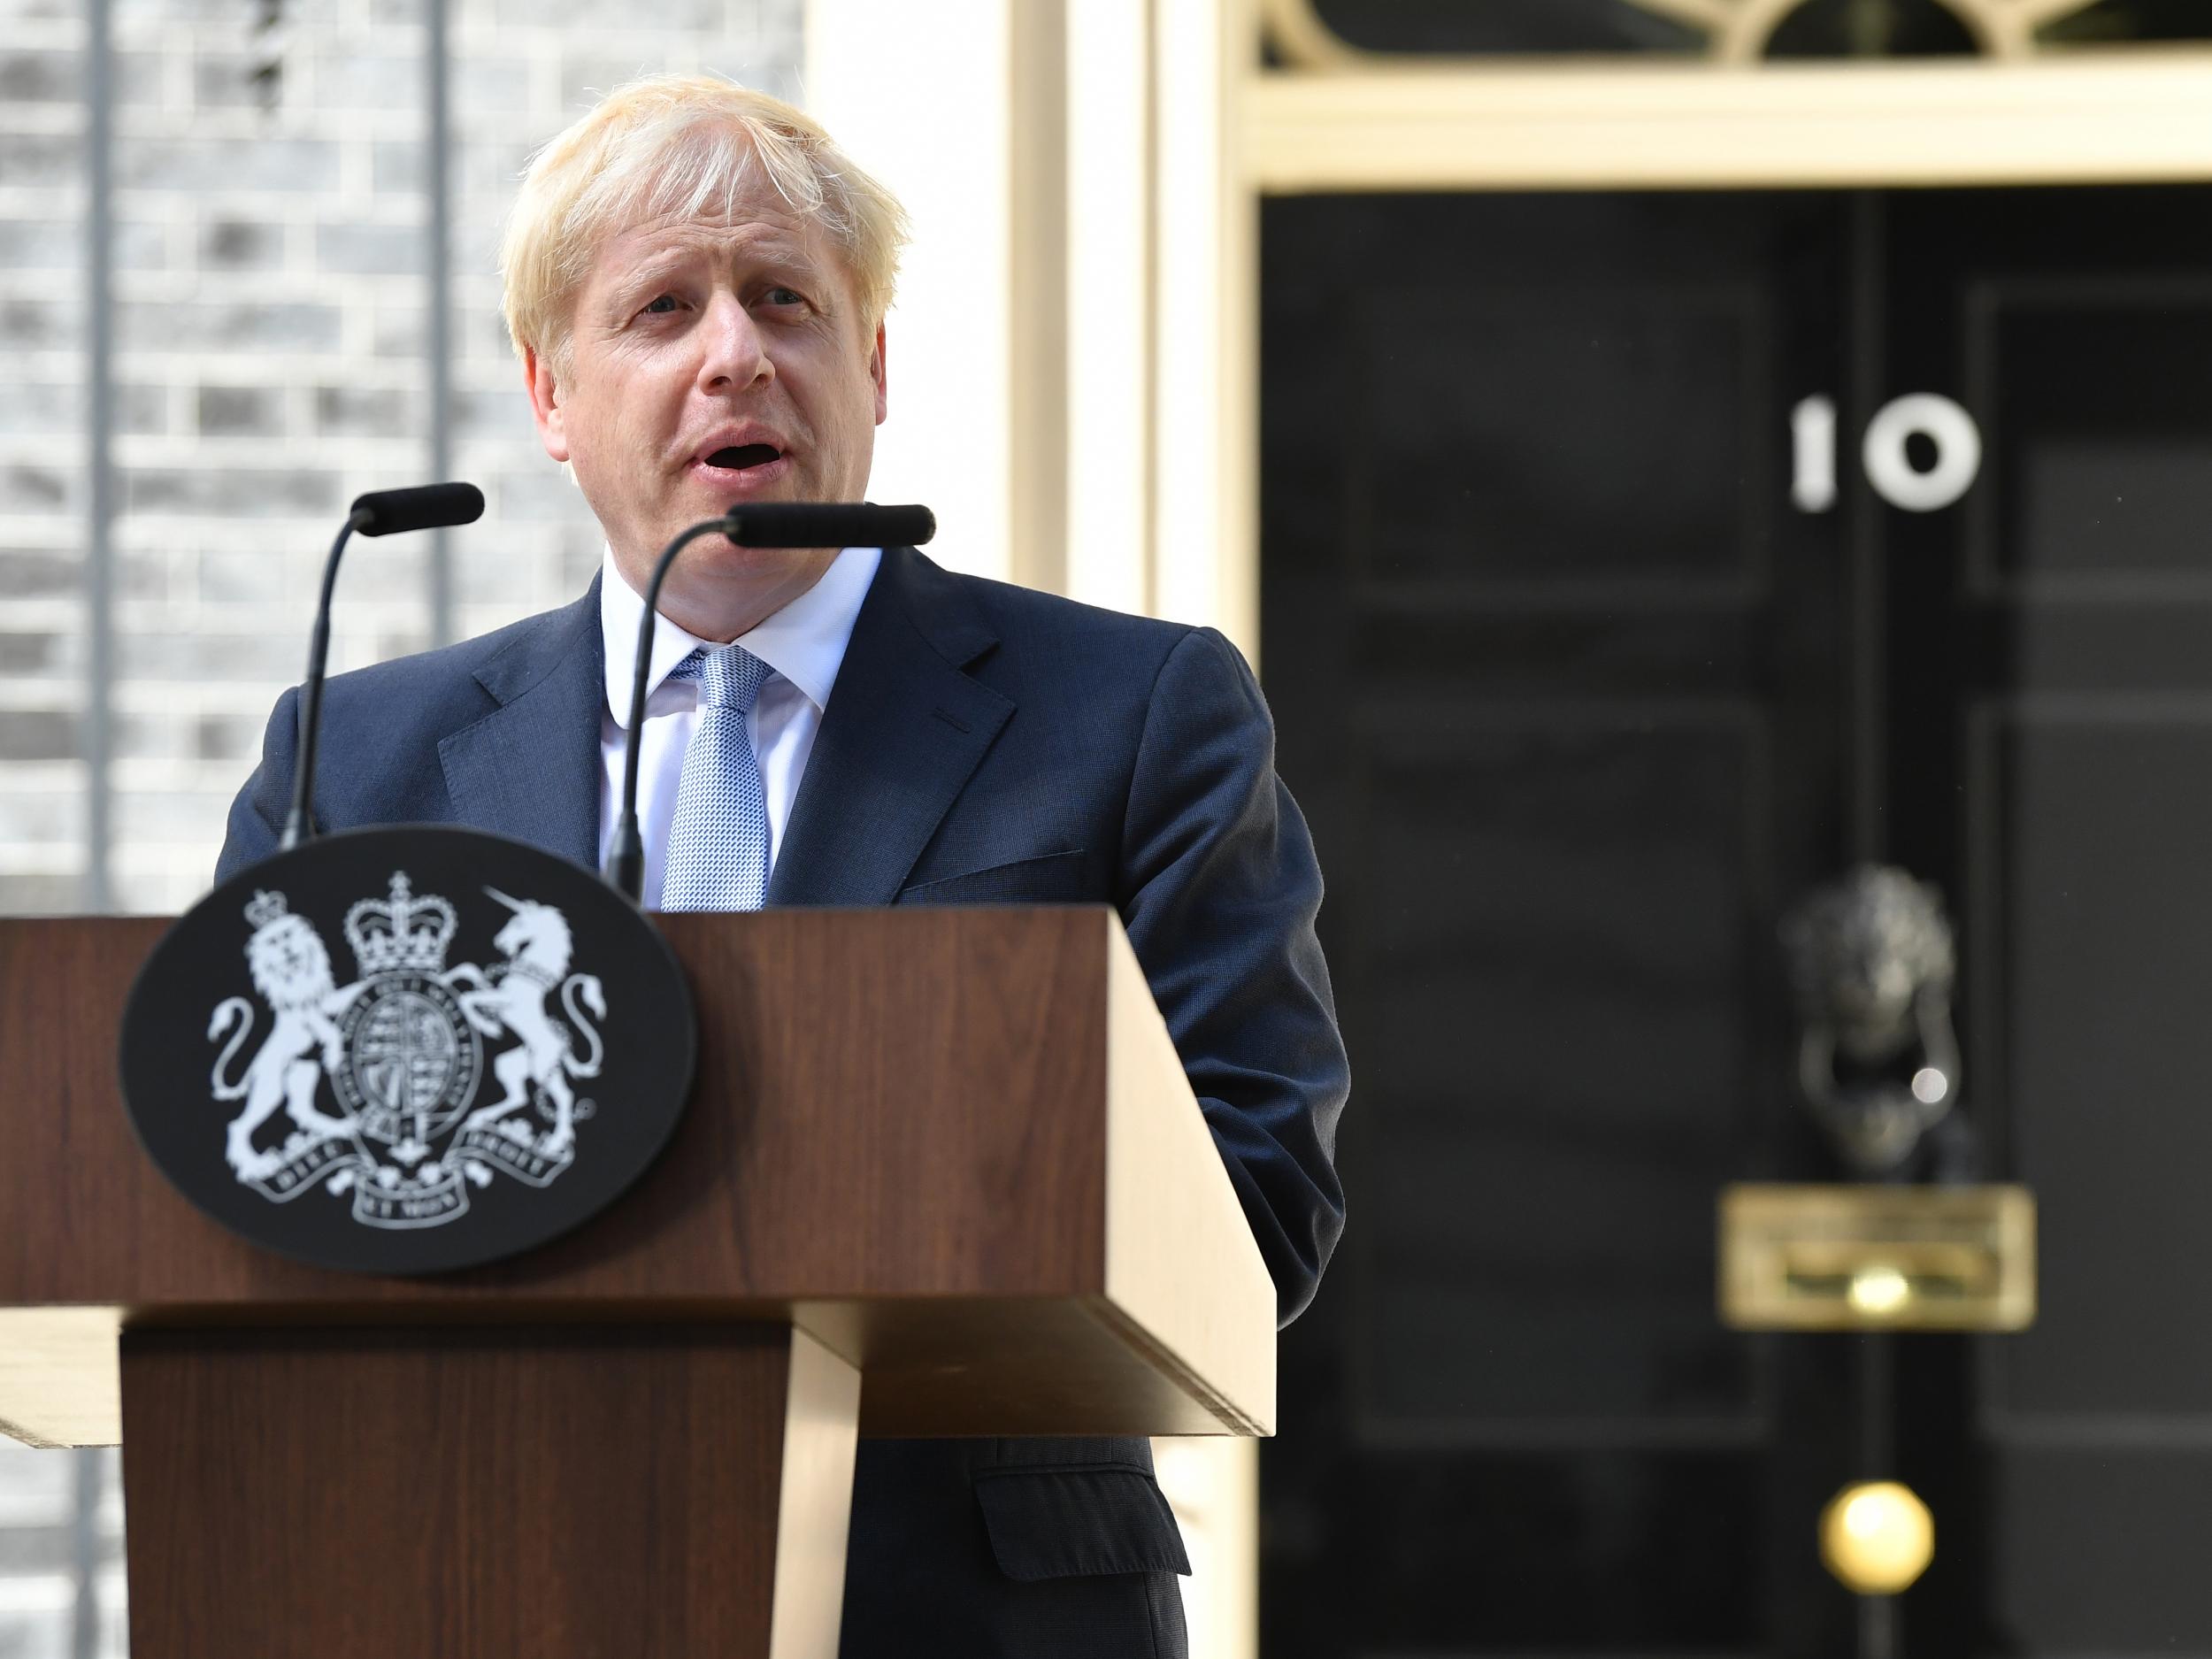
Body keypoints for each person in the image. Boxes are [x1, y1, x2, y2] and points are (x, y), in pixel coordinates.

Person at [216, 73, 1348, 1659]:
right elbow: (238, 1200)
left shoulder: (1133, 715)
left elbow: (1258, 1204)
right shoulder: (363, 760)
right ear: (550, 395)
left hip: (973, 1614)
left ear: (870, 365)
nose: (733, 351)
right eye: (662, 307)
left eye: (786, 301)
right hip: (479, 1580)